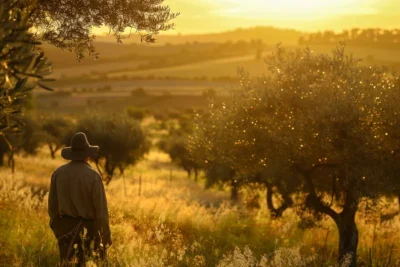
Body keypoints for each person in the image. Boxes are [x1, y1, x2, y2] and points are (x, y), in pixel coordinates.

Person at [48, 132, 112, 266]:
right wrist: (106, 236)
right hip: (88, 230)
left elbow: (52, 207)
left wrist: (58, 229)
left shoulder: (58, 173)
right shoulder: (93, 176)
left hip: (65, 229)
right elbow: (101, 212)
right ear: (88, 154)